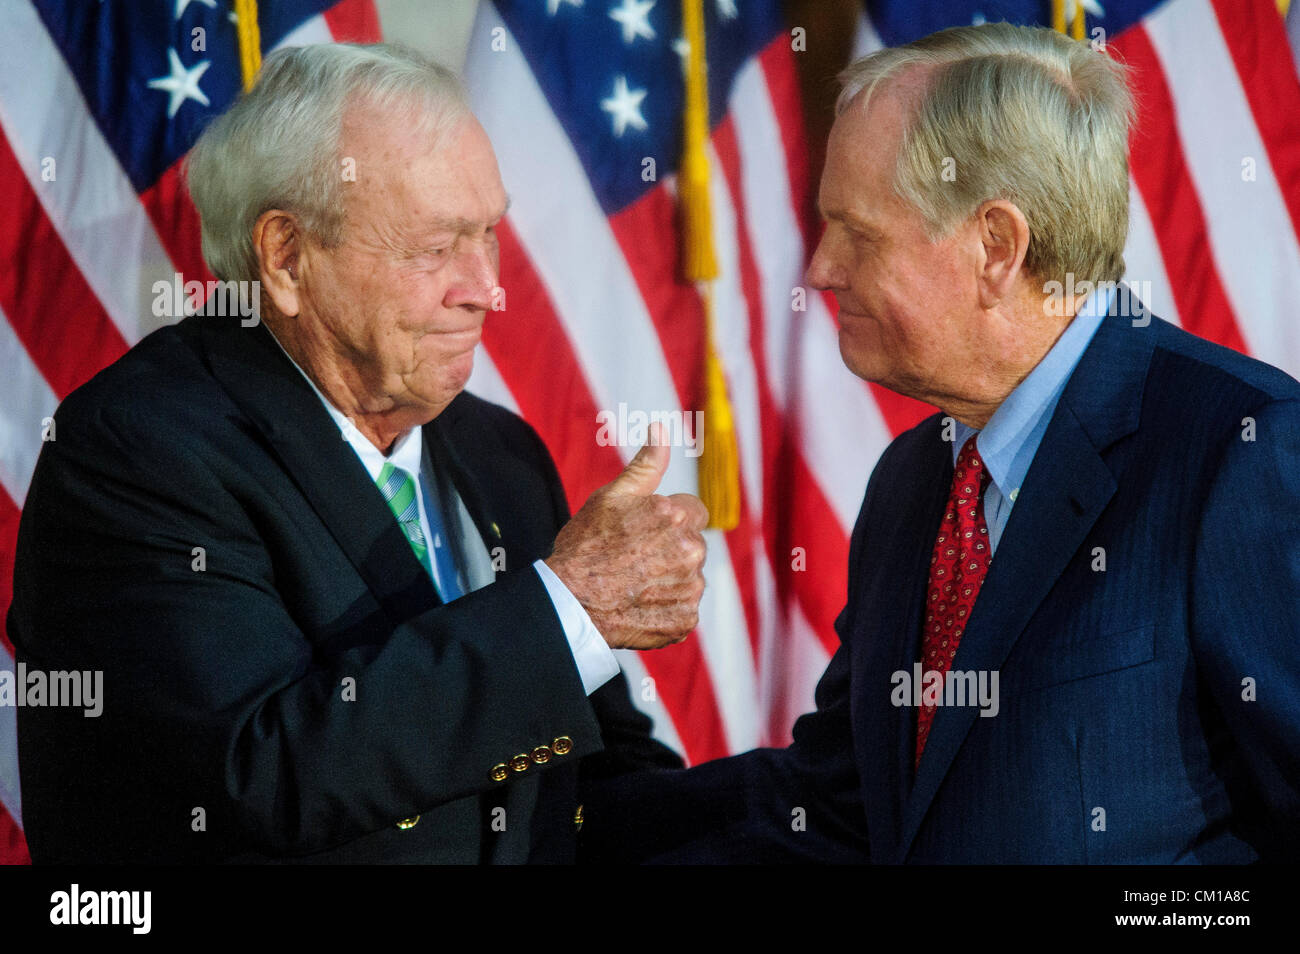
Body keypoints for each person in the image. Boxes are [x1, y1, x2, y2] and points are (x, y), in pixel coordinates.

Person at [577, 22, 1300, 863]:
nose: (820, 269)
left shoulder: (1243, 451)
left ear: (996, 247)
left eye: (857, 232)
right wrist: (540, 822)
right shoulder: (914, 479)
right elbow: (838, 804)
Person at [8, 43, 706, 864]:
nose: (486, 287)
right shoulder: (138, 453)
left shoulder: (502, 455)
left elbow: (585, 793)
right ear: (286, 257)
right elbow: (257, 777)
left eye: (487, 234)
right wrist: (569, 608)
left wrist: (809, 799)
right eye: (435, 247)